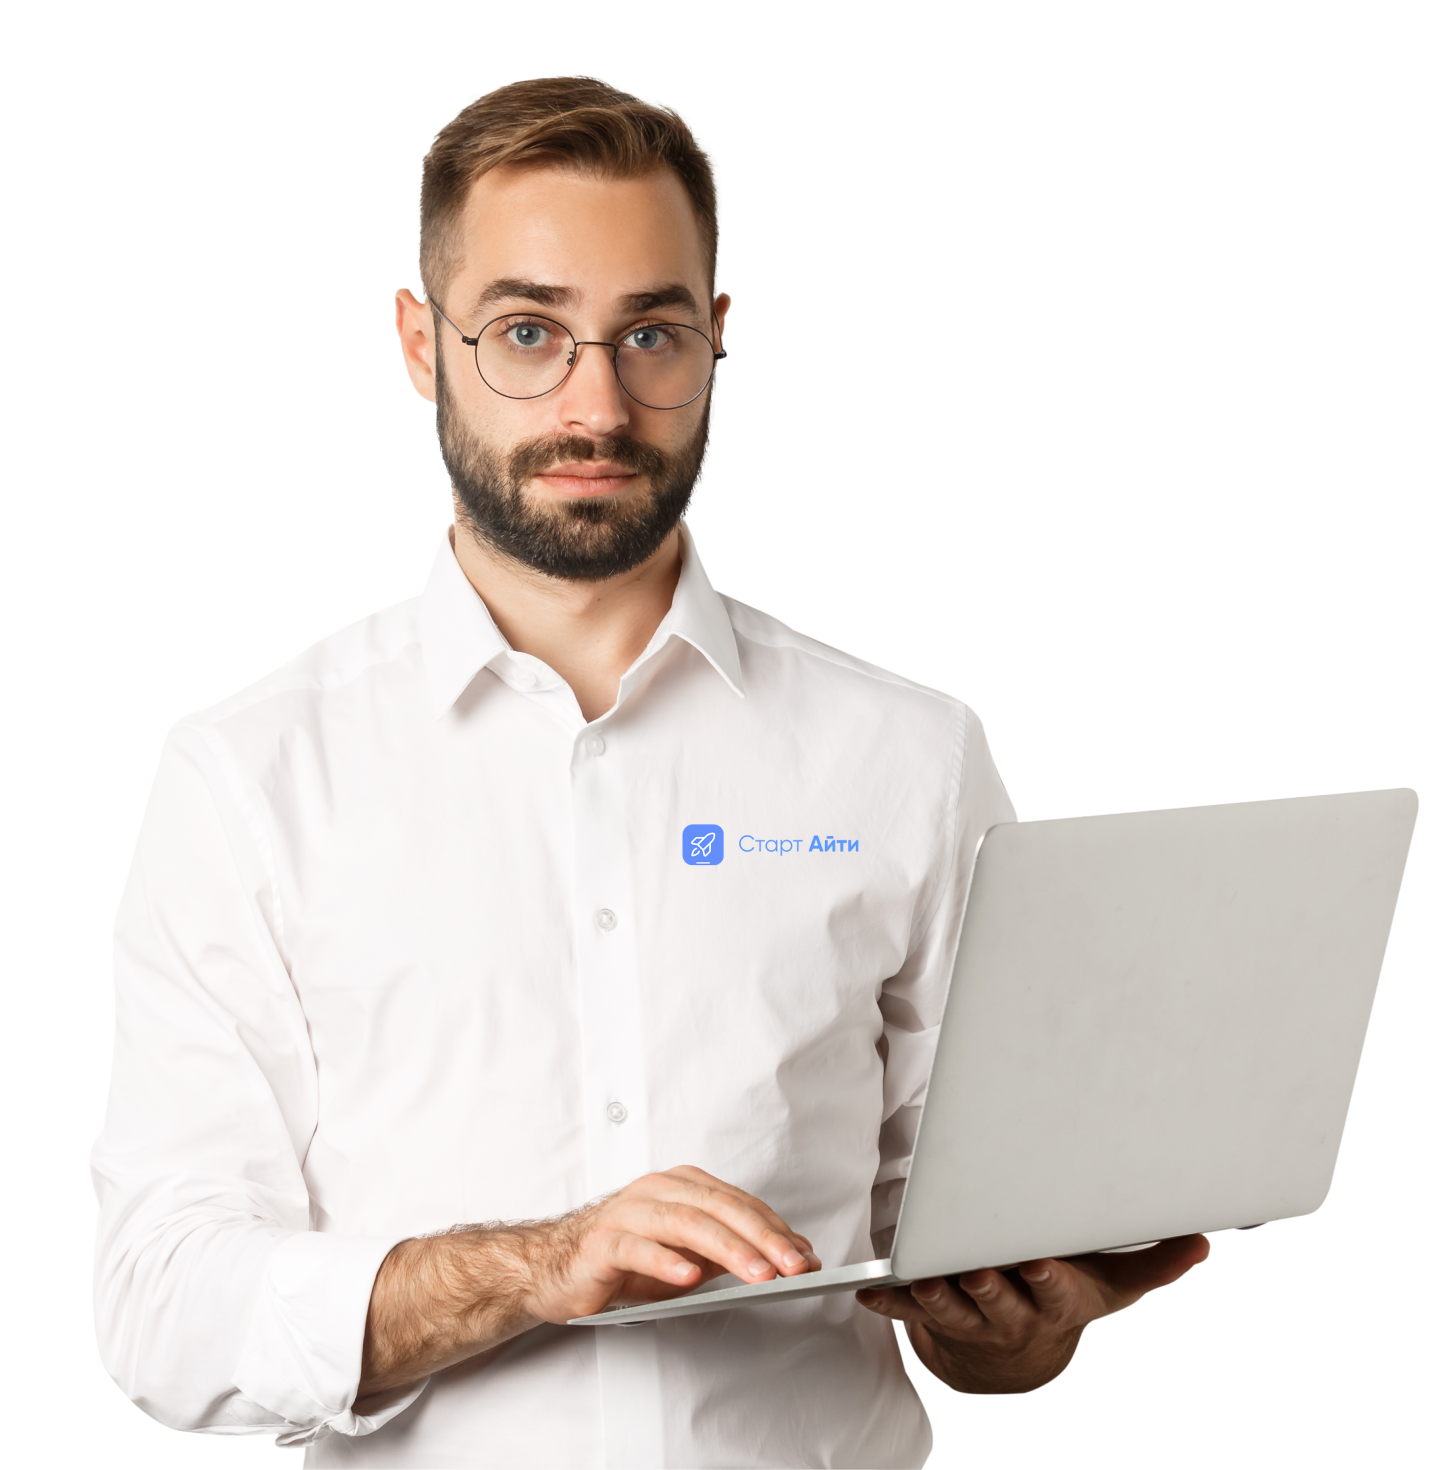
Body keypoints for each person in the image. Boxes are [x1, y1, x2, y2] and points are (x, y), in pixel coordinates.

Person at [91, 72, 1209, 1467]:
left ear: (717, 337)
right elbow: (162, 1308)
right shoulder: (246, 775)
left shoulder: (913, 755)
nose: (598, 404)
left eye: (651, 335)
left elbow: (979, 1298)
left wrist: (1018, 1329)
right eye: (526, 332)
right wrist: (534, 1265)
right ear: (421, 344)